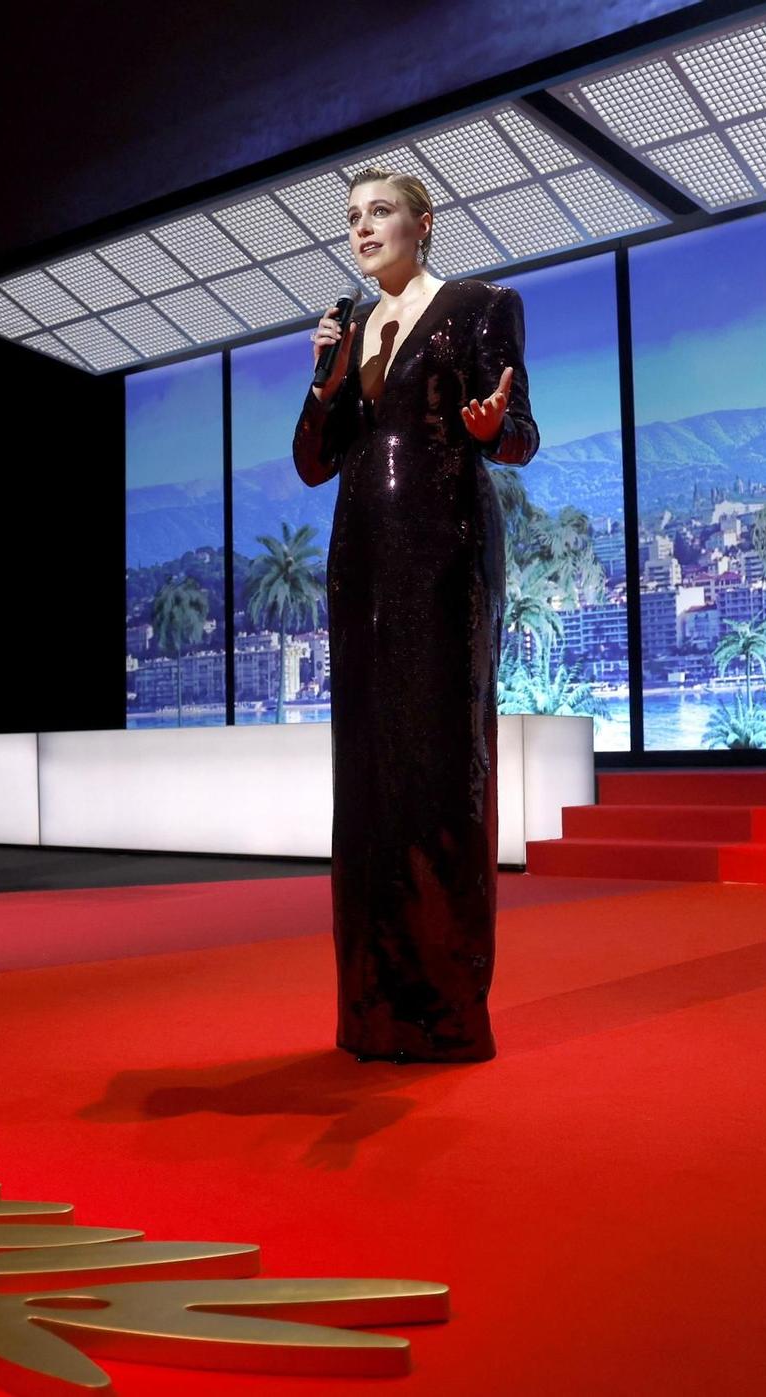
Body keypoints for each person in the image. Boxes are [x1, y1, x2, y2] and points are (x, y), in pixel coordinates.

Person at [291, 168, 537, 1062]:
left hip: (445, 560)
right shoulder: (347, 328)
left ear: (424, 222)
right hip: (359, 565)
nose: (362, 229)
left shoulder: (481, 304)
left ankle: (443, 1008)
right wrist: (325, 379)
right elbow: (311, 463)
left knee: (438, 772)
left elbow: (521, 435)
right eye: (352, 218)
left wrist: (488, 428)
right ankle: (373, 1008)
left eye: (380, 212)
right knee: (366, 784)